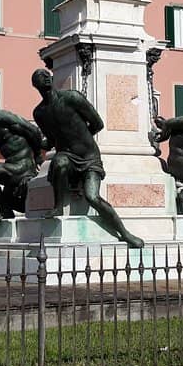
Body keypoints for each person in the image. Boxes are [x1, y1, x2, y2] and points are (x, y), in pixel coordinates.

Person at [30, 68, 143, 248]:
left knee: (92, 196)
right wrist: (33, 143)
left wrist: (81, 140)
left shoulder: (72, 98)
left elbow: (97, 123)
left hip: (88, 156)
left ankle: (125, 233)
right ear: (35, 85)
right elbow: (51, 140)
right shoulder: (40, 113)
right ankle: (58, 206)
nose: (45, 78)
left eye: (46, 75)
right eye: (40, 78)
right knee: (59, 162)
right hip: (67, 156)